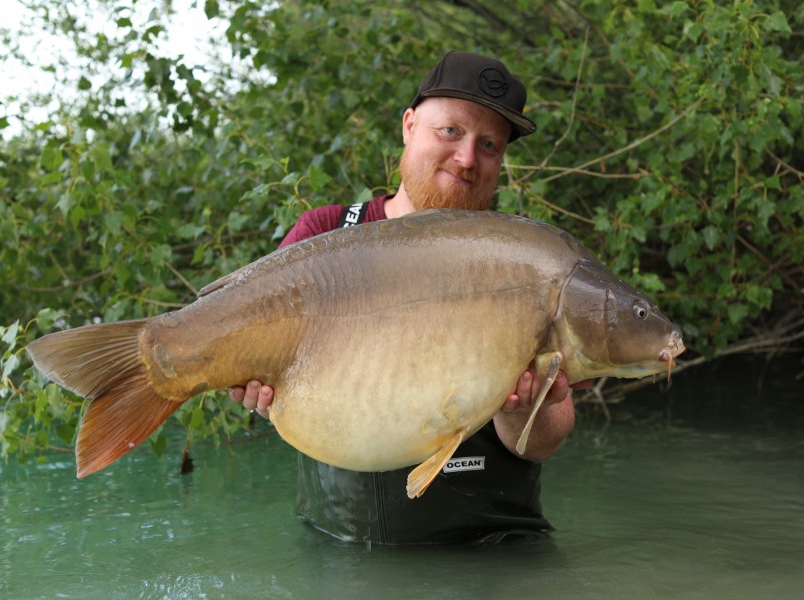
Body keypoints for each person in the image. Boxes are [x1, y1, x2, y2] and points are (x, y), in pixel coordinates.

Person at [230, 51, 586, 545]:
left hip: (495, 551)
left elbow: (544, 440)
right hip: (342, 550)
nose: (467, 158)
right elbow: (263, 373)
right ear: (409, 125)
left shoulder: (526, 263)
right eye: (451, 132)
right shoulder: (324, 233)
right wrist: (258, 394)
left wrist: (521, 407)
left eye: (489, 145)